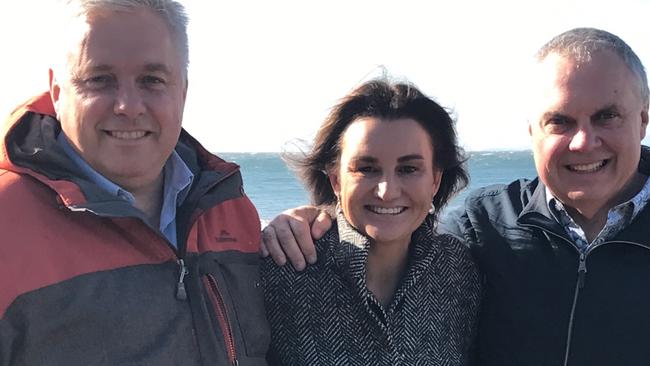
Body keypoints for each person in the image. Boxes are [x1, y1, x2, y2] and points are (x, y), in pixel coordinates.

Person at [261, 27, 650, 365]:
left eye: (606, 116)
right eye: (560, 121)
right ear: (533, 129)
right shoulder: (484, 226)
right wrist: (309, 218)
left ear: (643, 120)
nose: (583, 142)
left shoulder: (457, 268)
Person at [0, 1, 269, 365]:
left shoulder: (231, 210)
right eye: (100, 79)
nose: (128, 105)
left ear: (183, 92)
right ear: (58, 92)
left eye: (152, 80)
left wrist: (302, 227)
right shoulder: (7, 224)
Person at [262, 79, 481, 365]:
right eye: (366, 169)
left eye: (409, 169)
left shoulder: (459, 271)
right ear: (336, 179)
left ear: (436, 179)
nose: (387, 191)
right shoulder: (283, 267)